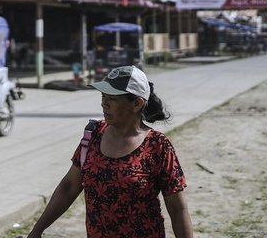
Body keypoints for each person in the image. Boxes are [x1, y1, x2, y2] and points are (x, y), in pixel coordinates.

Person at [28, 65, 193, 238]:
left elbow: (178, 208)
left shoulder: (158, 145)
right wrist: (37, 230)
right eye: (103, 96)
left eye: (112, 99)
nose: (103, 103)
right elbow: (69, 186)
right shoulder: (93, 135)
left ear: (137, 103)